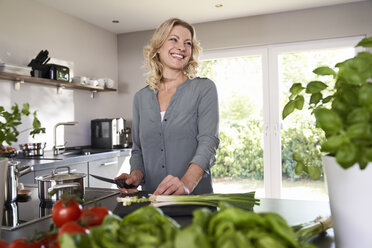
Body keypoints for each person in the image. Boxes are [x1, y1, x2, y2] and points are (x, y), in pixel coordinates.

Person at [115, 18, 219, 195]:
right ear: (158, 47)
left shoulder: (204, 89)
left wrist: (186, 184)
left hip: (194, 200)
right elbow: (138, 150)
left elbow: (208, 142)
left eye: (188, 43)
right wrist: (135, 176)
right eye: (174, 39)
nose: (182, 47)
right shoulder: (140, 98)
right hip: (152, 199)